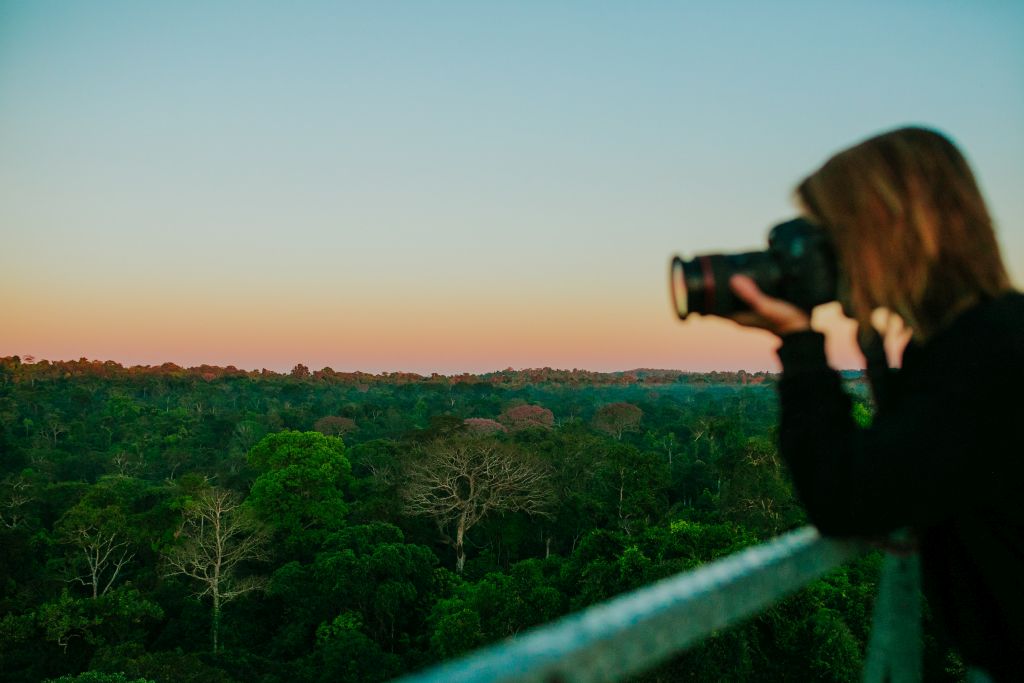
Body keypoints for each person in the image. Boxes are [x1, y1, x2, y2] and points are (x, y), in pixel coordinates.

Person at [726, 126, 1023, 680]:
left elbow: (844, 494)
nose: (824, 254)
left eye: (834, 234)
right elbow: (904, 461)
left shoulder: (988, 351)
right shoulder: (981, 336)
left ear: (889, 231)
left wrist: (798, 342)